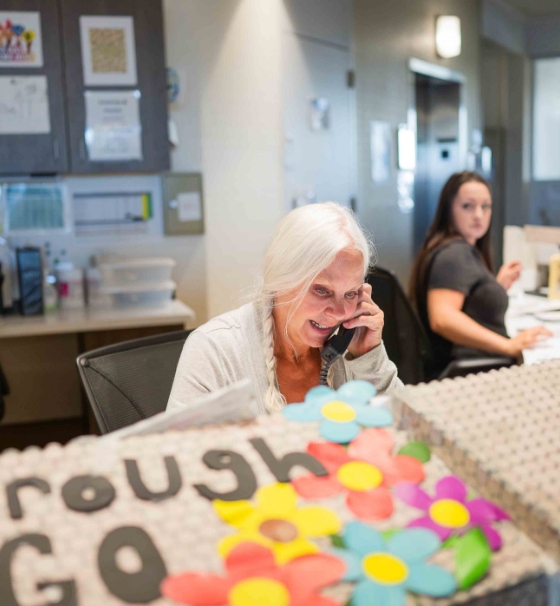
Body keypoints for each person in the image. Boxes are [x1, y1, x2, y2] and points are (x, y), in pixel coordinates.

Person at [167, 202, 402, 415]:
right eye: (322, 290)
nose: (340, 313)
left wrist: (369, 358)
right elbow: (180, 452)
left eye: (350, 293)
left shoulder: (349, 348)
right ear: (280, 279)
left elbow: (410, 430)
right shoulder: (214, 350)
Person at [409, 171, 551, 380]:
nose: (478, 214)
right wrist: (509, 345)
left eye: (485, 206)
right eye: (468, 206)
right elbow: (443, 318)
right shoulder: (454, 254)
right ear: (449, 210)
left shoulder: (459, 249)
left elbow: (466, 302)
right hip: (471, 373)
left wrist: (495, 287)